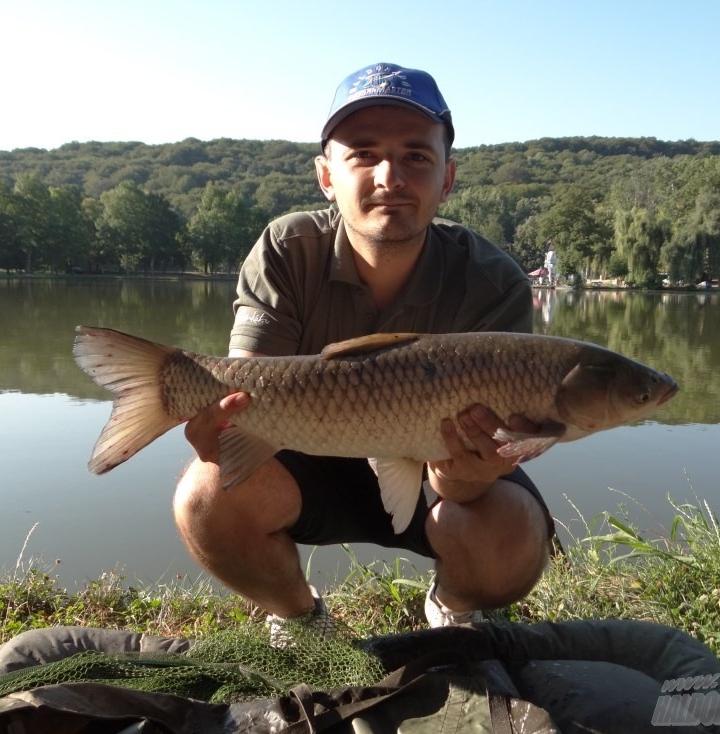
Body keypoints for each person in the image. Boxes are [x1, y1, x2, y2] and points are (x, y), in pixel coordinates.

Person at [173, 62, 554, 633]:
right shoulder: (288, 247)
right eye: (364, 154)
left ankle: (452, 608)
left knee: (515, 538)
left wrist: (467, 471)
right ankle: (301, 622)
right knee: (205, 497)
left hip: (435, 467)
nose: (390, 176)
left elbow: (462, 478)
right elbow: (250, 391)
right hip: (306, 454)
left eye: (416, 157)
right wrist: (221, 431)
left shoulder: (493, 281)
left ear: (447, 178)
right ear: (327, 176)